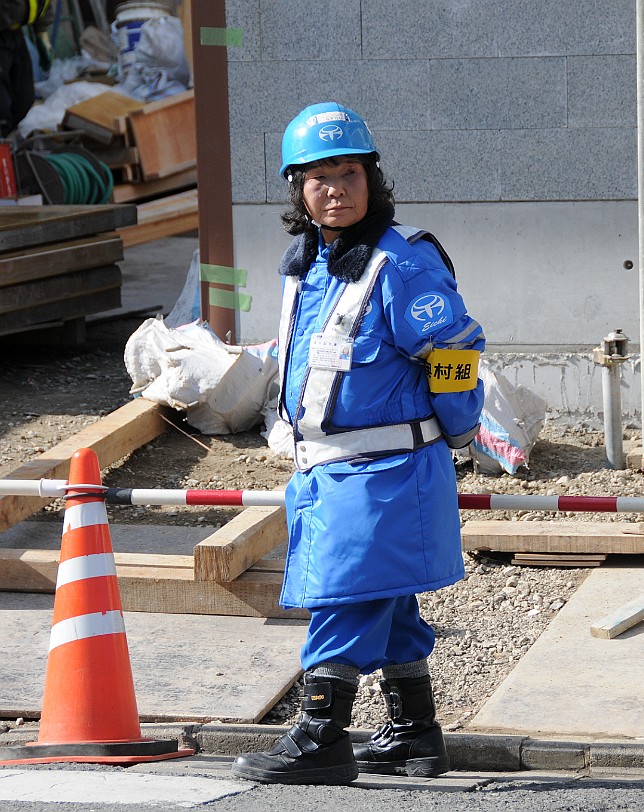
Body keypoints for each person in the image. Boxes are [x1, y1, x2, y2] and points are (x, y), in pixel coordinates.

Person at [231, 102, 486, 786]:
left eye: (348, 172)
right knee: (390, 597)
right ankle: (413, 733)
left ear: (372, 179)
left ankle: (321, 735)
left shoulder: (401, 263)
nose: (335, 188)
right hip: (331, 470)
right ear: (297, 189)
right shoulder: (311, 264)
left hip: (387, 469)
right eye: (318, 177)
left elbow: (455, 352)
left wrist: (462, 429)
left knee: (344, 598)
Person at [0, 0, 52, 137]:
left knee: (23, 98)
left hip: (14, 32)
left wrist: (41, 32)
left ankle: (8, 146)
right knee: (2, 109)